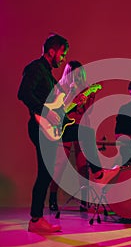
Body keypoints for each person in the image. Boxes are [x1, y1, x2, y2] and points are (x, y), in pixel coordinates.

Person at [17, 34, 119, 233]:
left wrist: (70, 107)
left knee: (47, 173)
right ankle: (36, 219)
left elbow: (56, 108)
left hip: (48, 126)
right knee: (46, 172)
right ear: (52, 51)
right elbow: (23, 93)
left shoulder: (49, 75)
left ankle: (36, 219)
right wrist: (44, 110)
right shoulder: (36, 68)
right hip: (39, 126)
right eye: (62, 54)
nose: (63, 58)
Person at [49, 60, 95, 212]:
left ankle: (84, 200)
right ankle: (52, 198)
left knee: (83, 166)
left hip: (82, 128)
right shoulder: (60, 88)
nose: (76, 77)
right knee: (60, 165)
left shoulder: (87, 89)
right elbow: (59, 110)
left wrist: (82, 102)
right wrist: (71, 93)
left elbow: (89, 111)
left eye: (78, 74)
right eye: (72, 74)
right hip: (66, 128)